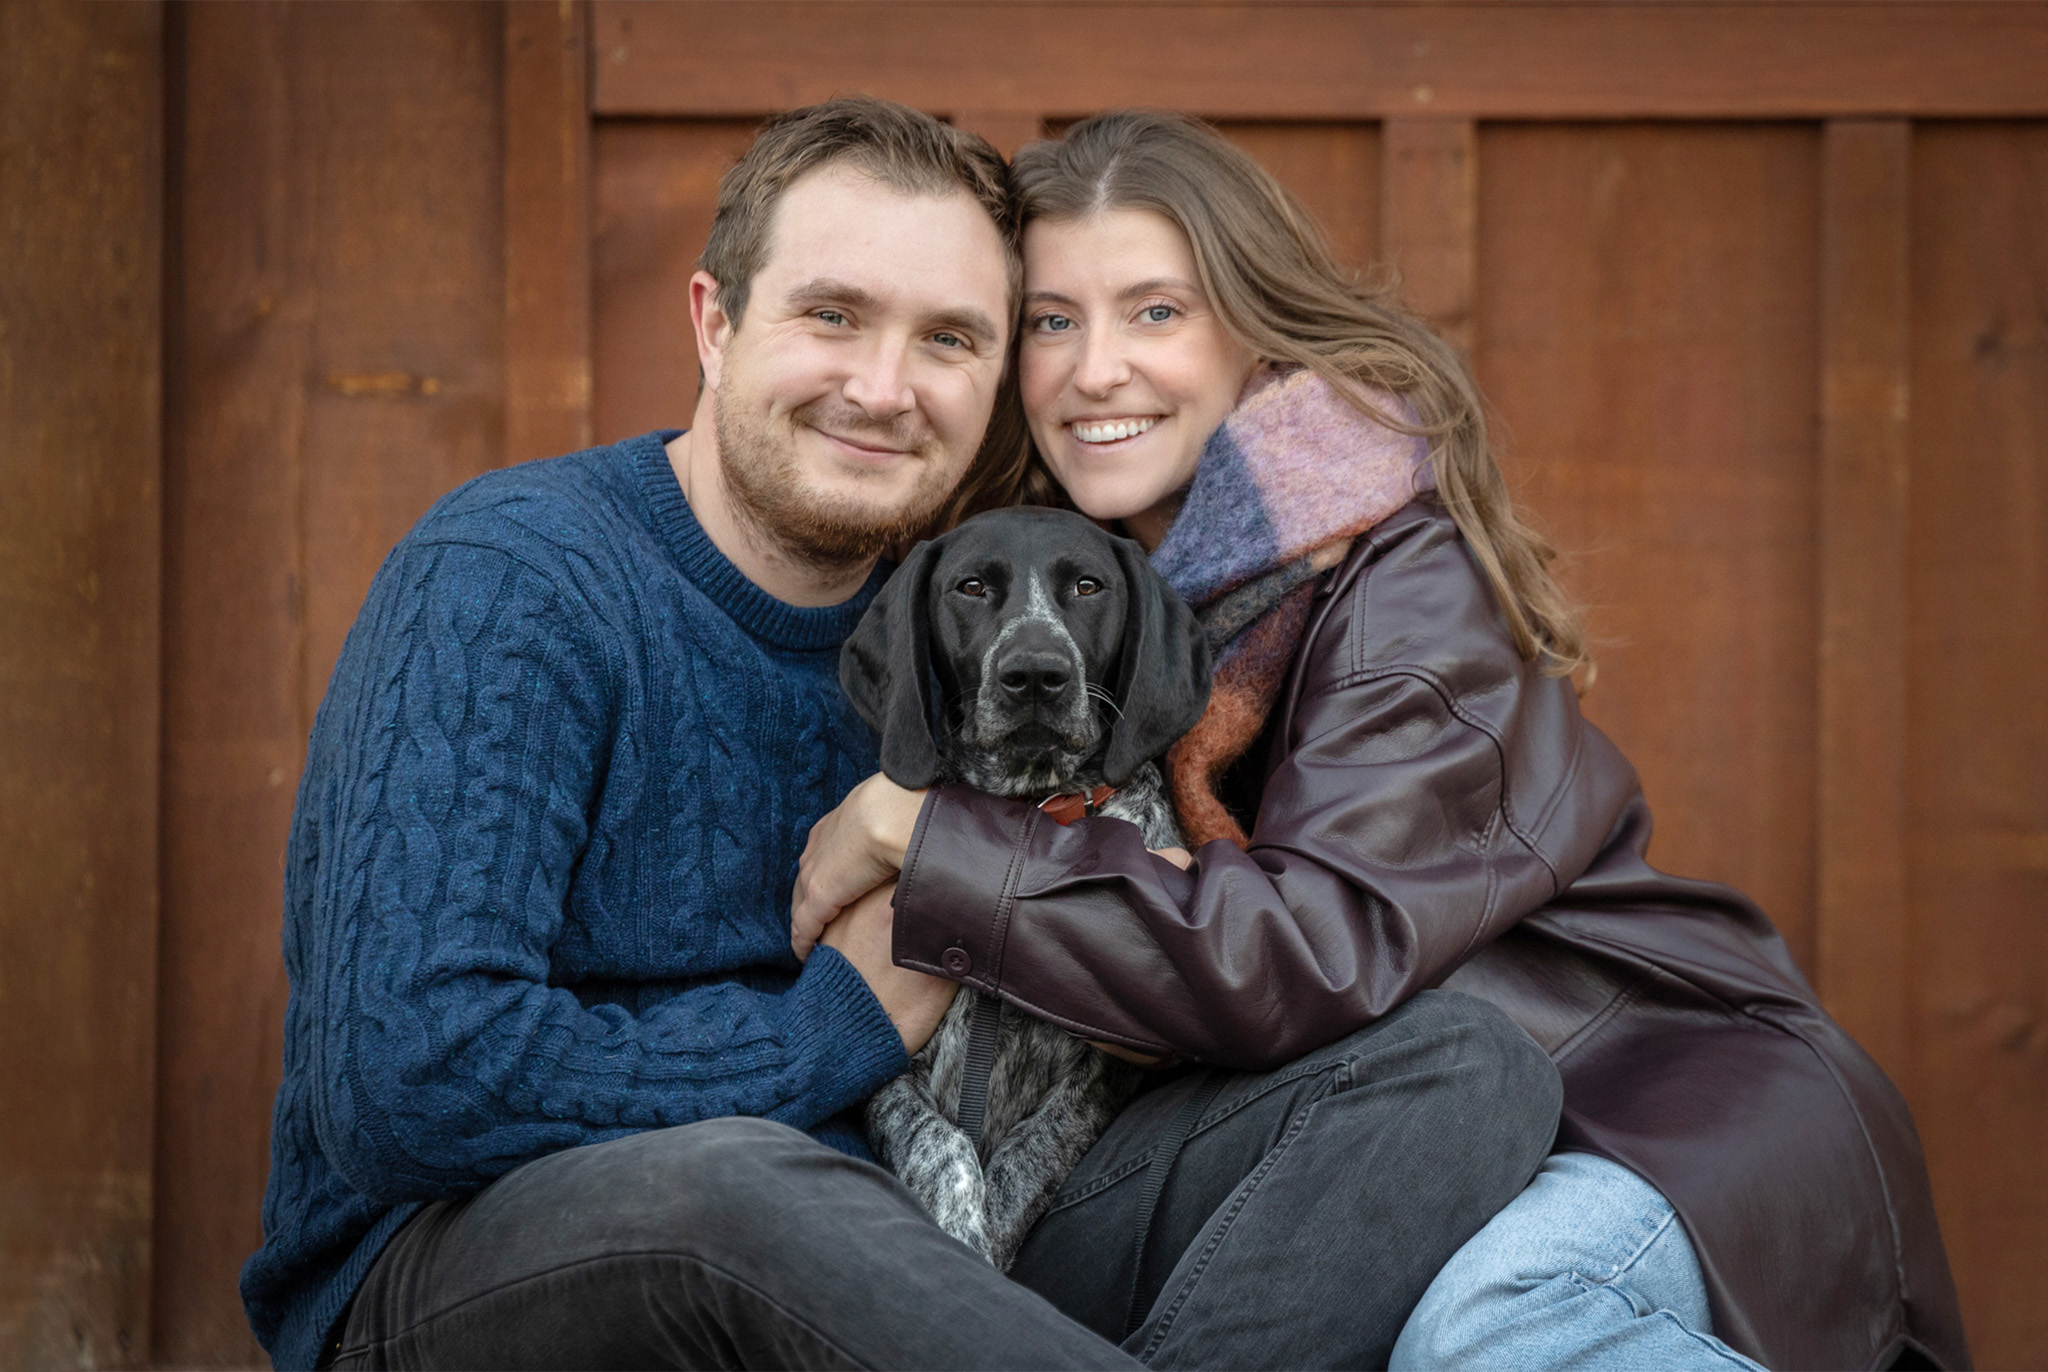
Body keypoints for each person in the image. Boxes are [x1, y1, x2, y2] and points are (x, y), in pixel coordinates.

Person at [242, 96, 1562, 1371]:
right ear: (715, 321)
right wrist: (834, 1025)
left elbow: (1228, 517)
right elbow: (407, 1087)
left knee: (1464, 1068)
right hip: (486, 1262)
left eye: (949, 339)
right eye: (833, 316)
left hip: (927, 1242)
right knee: (746, 1186)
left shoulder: (960, 611)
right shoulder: (516, 579)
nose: (884, 387)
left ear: (999, 375)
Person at [794, 110, 1971, 1371]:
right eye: (1051, 321)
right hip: (1374, 1127)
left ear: (1253, 334)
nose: (1093, 372)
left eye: (1155, 312)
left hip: (1630, 1112)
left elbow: (1306, 955)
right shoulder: (1085, 586)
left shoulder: (1406, 583)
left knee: (1491, 1329)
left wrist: (920, 833)